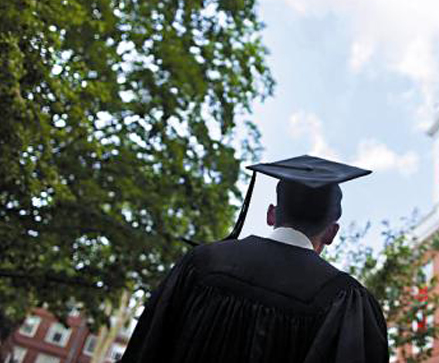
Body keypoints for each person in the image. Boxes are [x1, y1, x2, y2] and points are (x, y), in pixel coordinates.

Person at [121, 155, 389, 362]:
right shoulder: (344, 300)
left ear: (271, 214)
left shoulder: (201, 263)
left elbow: (148, 347)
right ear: (332, 233)